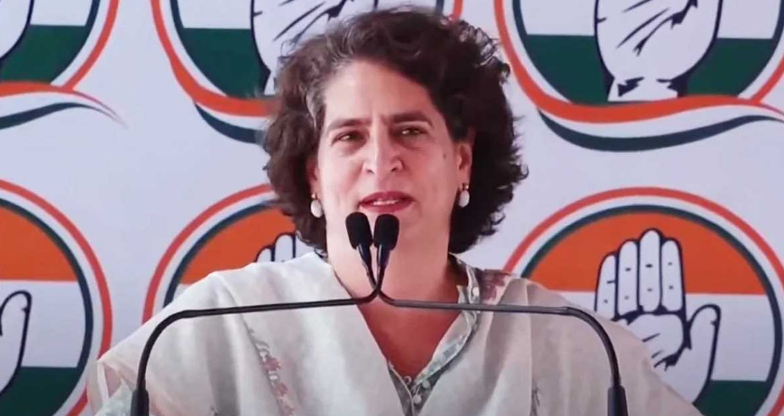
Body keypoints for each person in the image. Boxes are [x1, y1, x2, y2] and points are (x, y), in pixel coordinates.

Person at [87, 7, 703, 416]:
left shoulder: (567, 343)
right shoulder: (215, 326)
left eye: (409, 131)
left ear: (462, 161)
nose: (381, 161)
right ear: (314, 174)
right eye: (350, 136)